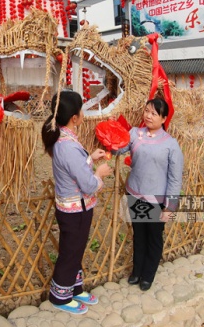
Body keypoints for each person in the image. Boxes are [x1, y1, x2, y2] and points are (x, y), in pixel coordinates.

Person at [41, 90, 111, 315]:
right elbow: (88, 185)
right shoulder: (68, 146)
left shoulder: (64, 138)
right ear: (74, 117)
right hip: (75, 211)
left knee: (76, 250)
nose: (83, 113)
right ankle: (60, 297)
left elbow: (73, 168)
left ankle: (74, 288)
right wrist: (99, 173)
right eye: (81, 109)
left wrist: (90, 158)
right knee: (70, 252)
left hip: (73, 208)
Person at [122, 97, 183, 291]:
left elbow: (175, 178)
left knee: (154, 238)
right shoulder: (135, 133)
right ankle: (137, 271)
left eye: (154, 113)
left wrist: (170, 207)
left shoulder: (171, 144)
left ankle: (148, 275)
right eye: (147, 111)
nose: (148, 116)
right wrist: (112, 135)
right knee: (139, 235)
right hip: (135, 193)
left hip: (156, 200)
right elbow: (119, 148)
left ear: (164, 119)